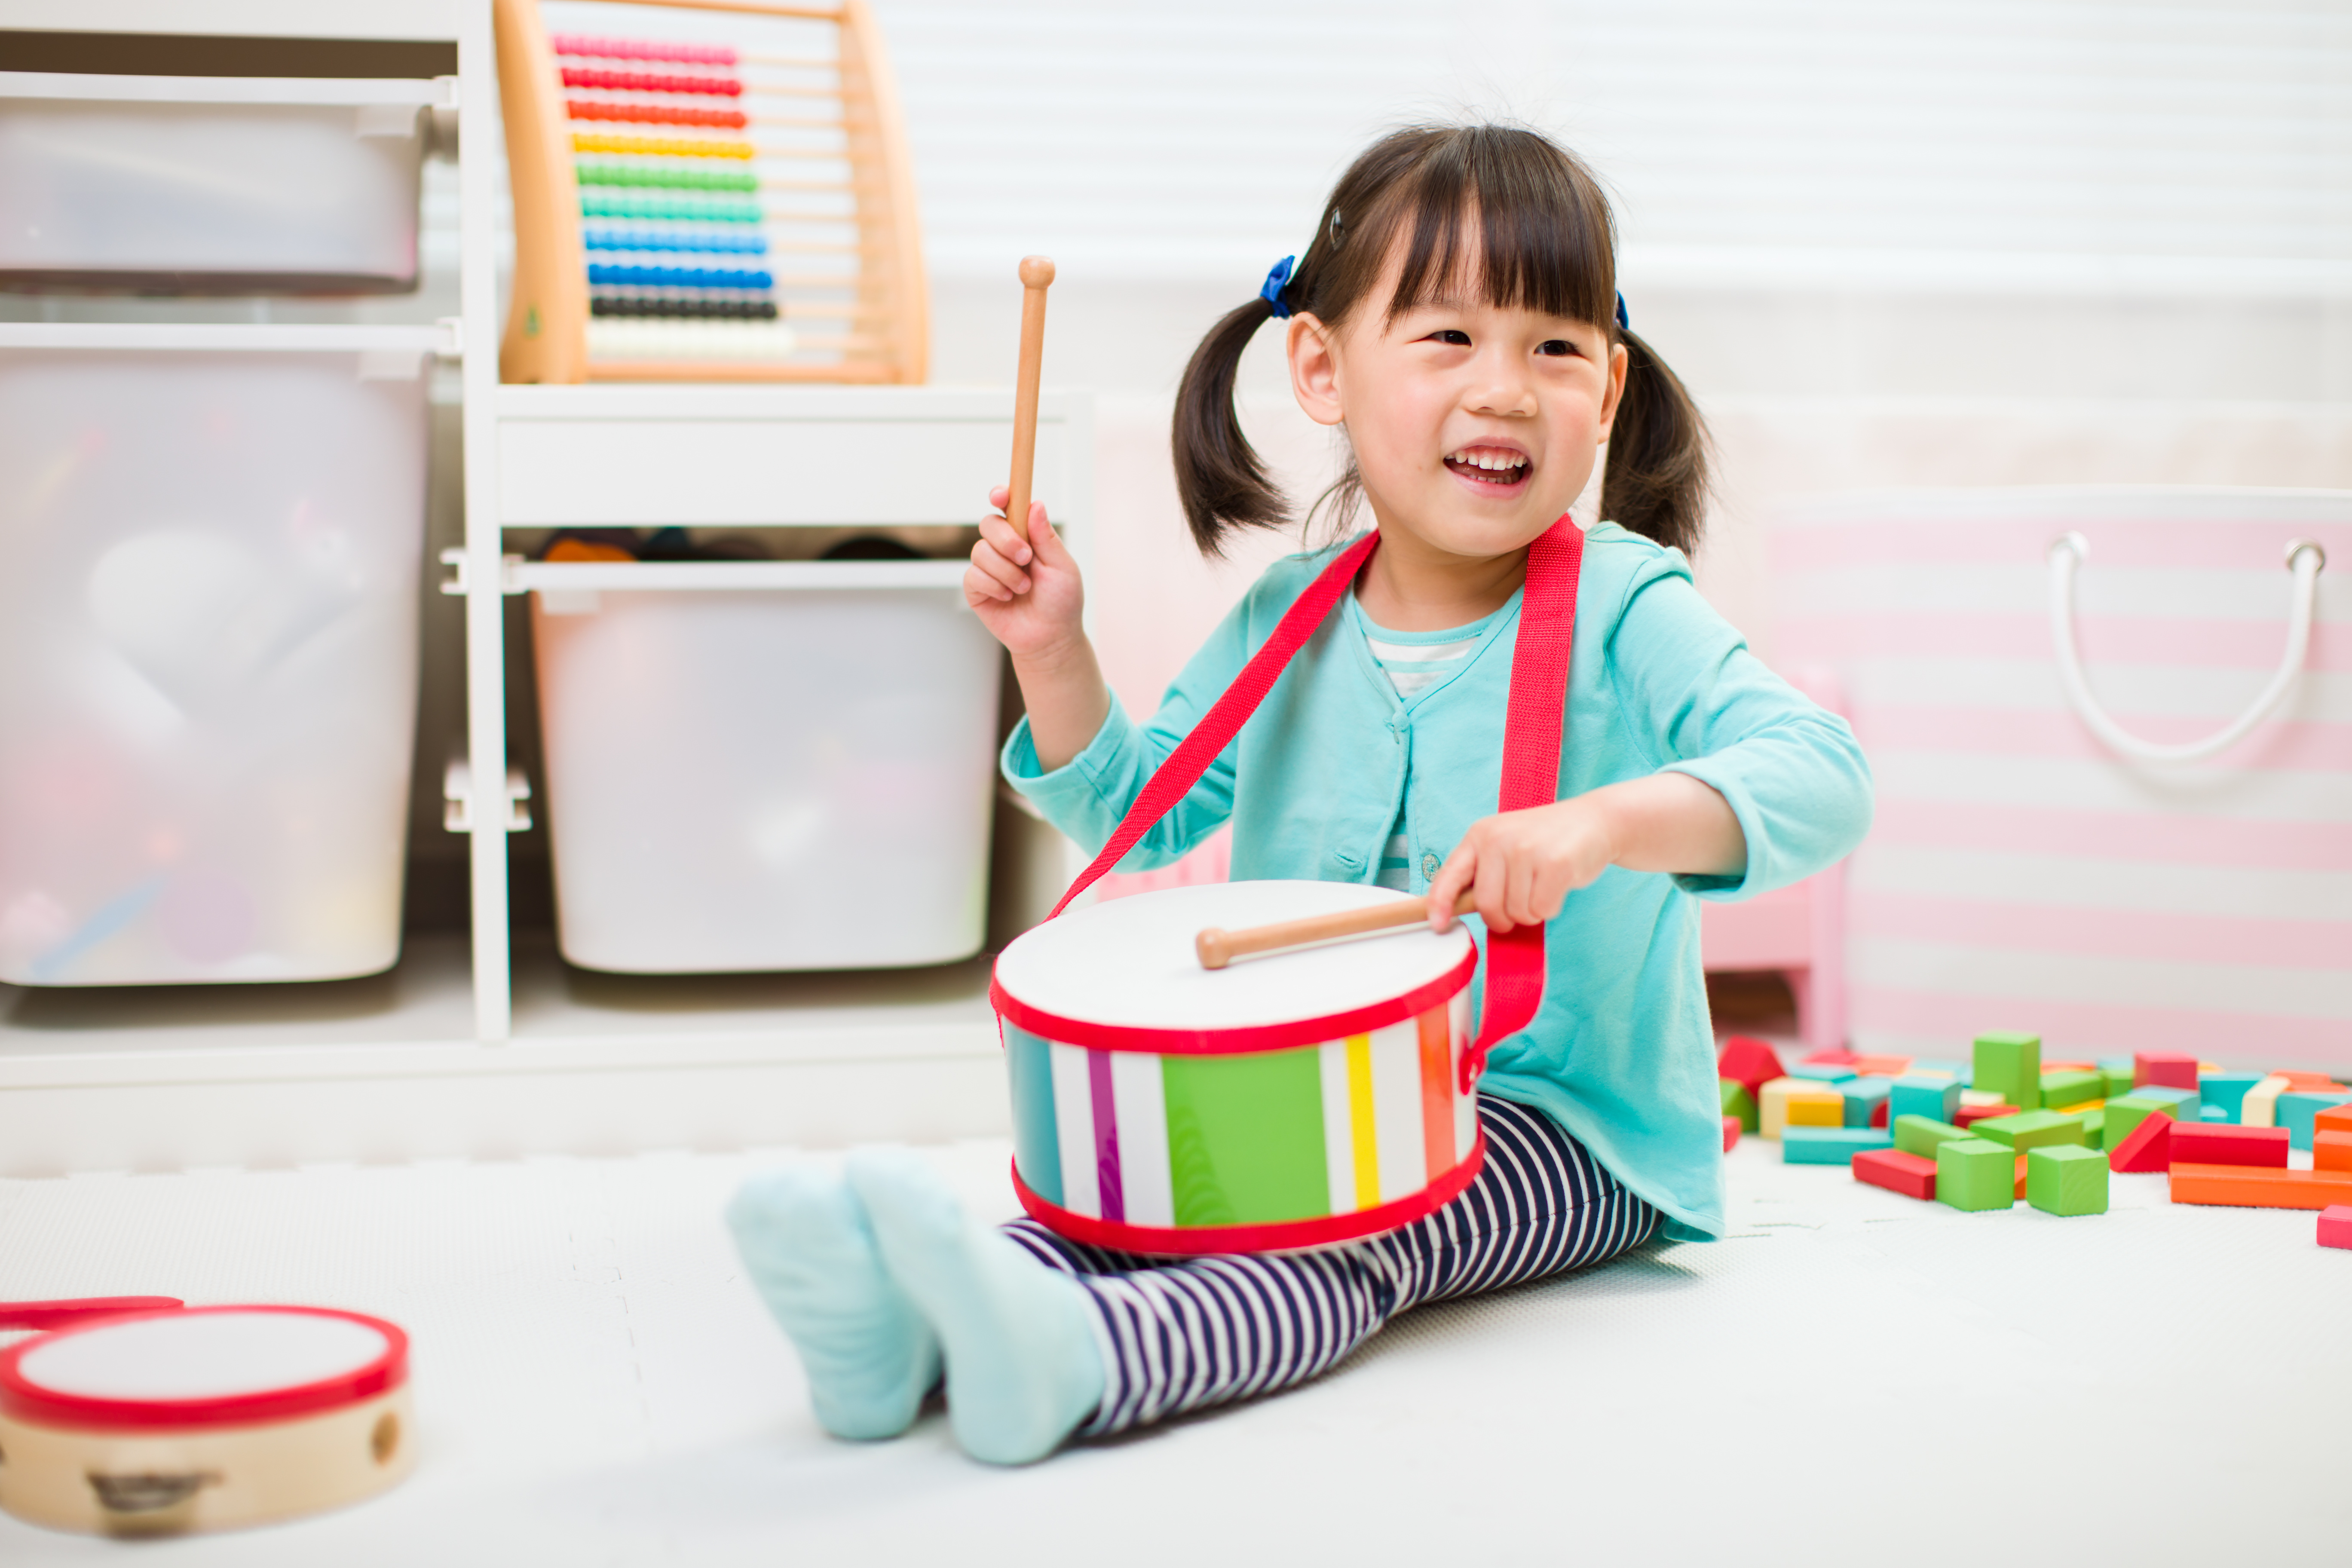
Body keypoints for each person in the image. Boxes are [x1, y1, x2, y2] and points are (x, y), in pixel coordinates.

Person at [727, 122, 1873, 1466]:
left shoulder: (1628, 605)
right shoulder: (1289, 620)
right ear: (1322, 368)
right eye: (1447, 337)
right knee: (1138, 1204)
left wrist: (1602, 825)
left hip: (1564, 1129)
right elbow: (1127, 813)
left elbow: (1822, 774)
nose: (1505, 388)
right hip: (1328, 1085)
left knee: (1340, 1226)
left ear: (1608, 390)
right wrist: (1054, 650)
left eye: (1554, 347)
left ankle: (1089, 1365)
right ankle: (905, 1335)